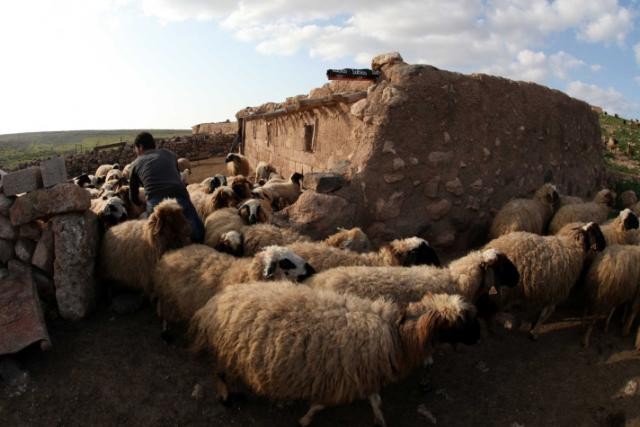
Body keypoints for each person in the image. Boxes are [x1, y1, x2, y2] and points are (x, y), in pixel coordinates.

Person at [129, 132, 204, 243]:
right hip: (180, 195)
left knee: (158, 238)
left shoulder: (134, 164)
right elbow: (177, 176)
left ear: (140, 147)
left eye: (135, 149)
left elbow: (133, 197)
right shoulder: (170, 154)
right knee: (197, 232)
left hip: (156, 201)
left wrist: (143, 204)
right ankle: (199, 241)